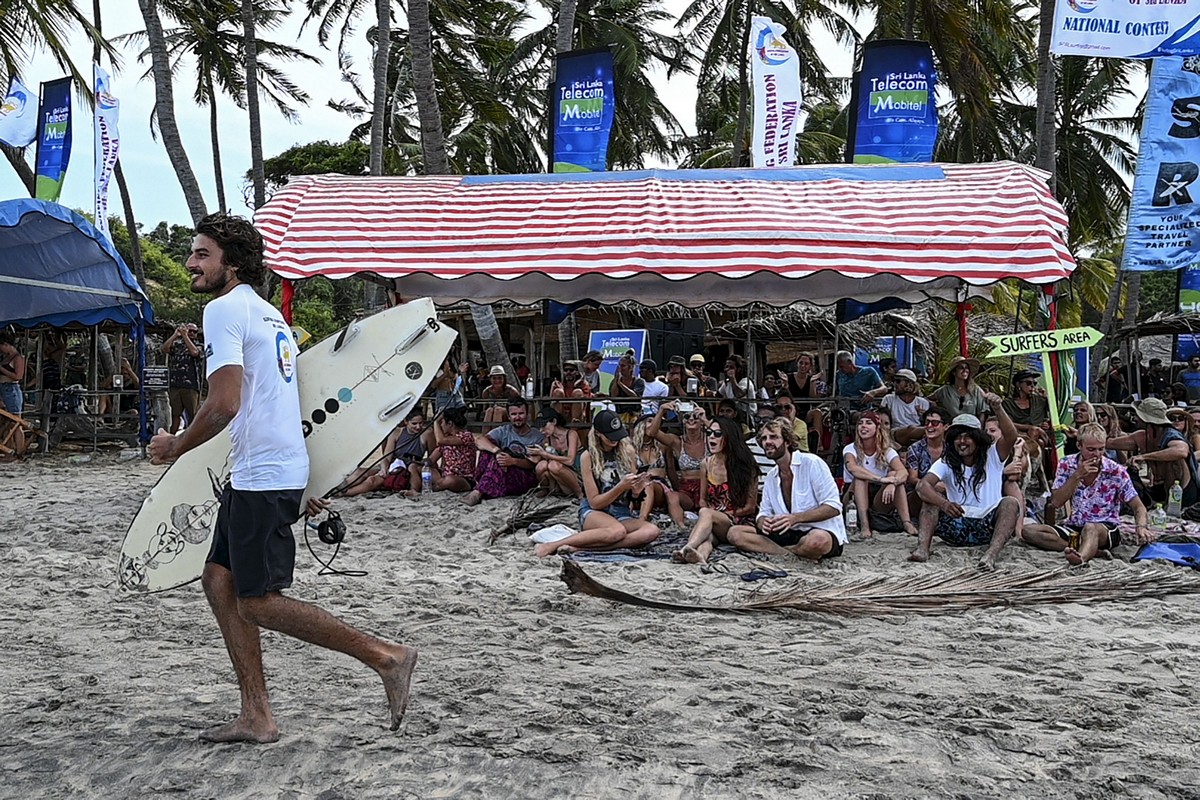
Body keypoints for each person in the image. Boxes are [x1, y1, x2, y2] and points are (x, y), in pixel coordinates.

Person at [148, 212, 416, 743]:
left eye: (202, 253)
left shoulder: (224, 310)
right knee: (219, 580)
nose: (191, 262)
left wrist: (177, 445)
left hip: (264, 472)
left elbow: (224, 403)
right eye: (193, 252)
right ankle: (257, 715)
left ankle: (387, 656)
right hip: (264, 468)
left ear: (234, 263)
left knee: (258, 600)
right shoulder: (269, 315)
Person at [909, 392, 1021, 570]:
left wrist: (998, 408)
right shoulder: (947, 461)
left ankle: (990, 555)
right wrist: (944, 504)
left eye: (967, 436)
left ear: (977, 438)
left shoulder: (993, 455)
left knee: (1010, 502)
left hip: (987, 526)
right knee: (930, 499)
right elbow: (922, 486)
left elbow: (1011, 436)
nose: (962, 441)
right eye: (957, 437)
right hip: (956, 524)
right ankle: (923, 549)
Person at [534, 410, 661, 558]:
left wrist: (636, 491)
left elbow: (632, 499)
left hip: (620, 512)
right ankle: (552, 545)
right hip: (595, 512)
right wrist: (621, 486)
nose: (615, 440)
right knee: (617, 531)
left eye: (617, 435)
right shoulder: (588, 457)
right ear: (599, 433)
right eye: (610, 436)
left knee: (651, 531)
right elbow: (595, 503)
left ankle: (586, 549)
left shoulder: (628, 451)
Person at [1022, 423, 1151, 565]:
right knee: (1028, 531)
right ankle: (1092, 551)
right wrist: (1077, 476)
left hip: (1104, 527)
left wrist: (1141, 527)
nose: (1096, 454)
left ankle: (1081, 558)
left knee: (1090, 528)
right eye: (1091, 449)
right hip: (1074, 526)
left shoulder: (1116, 471)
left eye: (1101, 449)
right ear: (1079, 446)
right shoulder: (1067, 464)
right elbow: (1056, 502)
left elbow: (1138, 506)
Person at [723, 418, 847, 560]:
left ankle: (783, 550)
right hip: (786, 532)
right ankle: (789, 553)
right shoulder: (771, 476)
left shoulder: (812, 463)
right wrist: (763, 522)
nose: (767, 442)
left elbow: (834, 507)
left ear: (787, 441)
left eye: (774, 437)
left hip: (818, 531)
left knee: (816, 541)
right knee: (735, 534)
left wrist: (795, 518)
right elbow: (763, 513)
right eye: (764, 438)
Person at [672, 415, 759, 564]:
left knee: (705, 514)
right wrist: (710, 515)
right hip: (715, 520)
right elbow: (702, 499)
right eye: (709, 433)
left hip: (739, 521)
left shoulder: (745, 465)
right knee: (707, 538)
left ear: (729, 437)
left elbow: (750, 508)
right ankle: (700, 557)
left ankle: (686, 547)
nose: (711, 437)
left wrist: (715, 514)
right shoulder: (706, 463)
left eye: (717, 434)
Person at [1108, 397, 1200, 508]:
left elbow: (1181, 451)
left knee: (1175, 460)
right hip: (1157, 489)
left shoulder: (1170, 434)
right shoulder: (1142, 436)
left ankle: (1171, 505)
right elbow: (1110, 443)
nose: (1136, 418)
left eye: (1138, 415)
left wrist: (1144, 457)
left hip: (1182, 492)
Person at [843, 411, 916, 537]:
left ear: (877, 428)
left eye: (868, 423)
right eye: (860, 423)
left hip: (877, 496)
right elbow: (852, 468)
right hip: (852, 496)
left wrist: (893, 482)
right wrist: (881, 479)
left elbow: (903, 472)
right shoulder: (850, 448)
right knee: (860, 478)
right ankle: (865, 526)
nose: (863, 426)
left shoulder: (888, 451)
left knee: (894, 473)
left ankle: (906, 522)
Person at [463, 399, 545, 506]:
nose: (517, 417)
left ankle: (478, 492)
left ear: (527, 415)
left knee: (500, 461)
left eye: (521, 413)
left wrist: (513, 461)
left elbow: (533, 464)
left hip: (524, 476)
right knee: (490, 450)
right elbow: (479, 440)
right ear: (509, 417)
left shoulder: (536, 436)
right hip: (502, 471)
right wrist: (497, 451)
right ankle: (484, 487)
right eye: (514, 414)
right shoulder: (504, 430)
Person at [342, 408, 428, 497]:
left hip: (408, 470)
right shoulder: (396, 433)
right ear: (406, 422)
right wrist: (384, 468)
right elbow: (386, 456)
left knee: (372, 480)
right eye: (414, 424)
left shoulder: (427, 433)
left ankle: (345, 493)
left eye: (421, 423)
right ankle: (340, 488)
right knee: (361, 472)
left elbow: (432, 456)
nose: (418, 427)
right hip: (393, 466)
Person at [647, 400, 708, 513]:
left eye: (695, 416)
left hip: (709, 487)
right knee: (672, 496)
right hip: (687, 489)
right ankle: (681, 527)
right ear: (683, 421)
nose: (691, 419)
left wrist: (705, 419)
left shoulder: (711, 439)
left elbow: (726, 438)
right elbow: (652, 433)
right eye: (686, 416)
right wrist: (661, 411)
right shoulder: (678, 442)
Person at [527, 408, 582, 498]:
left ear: (554, 421)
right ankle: (547, 490)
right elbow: (544, 461)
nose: (541, 430)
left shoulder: (571, 434)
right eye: (539, 427)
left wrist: (546, 454)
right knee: (541, 465)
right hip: (560, 480)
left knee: (553, 465)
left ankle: (580, 493)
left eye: (544, 426)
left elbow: (570, 460)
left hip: (576, 476)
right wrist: (536, 456)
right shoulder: (547, 439)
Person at [905, 406, 948, 518]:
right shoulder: (915, 448)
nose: (929, 426)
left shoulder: (951, 449)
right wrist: (931, 485)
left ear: (946, 426)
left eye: (934, 423)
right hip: (918, 495)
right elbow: (912, 478)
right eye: (927, 422)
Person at [161, 323, 204, 433]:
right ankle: (172, 438)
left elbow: (195, 353)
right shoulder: (177, 345)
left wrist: (185, 336)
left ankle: (193, 439)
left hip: (191, 385)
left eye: (194, 332)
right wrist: (175, 335)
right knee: (175, 415)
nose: (192, 334)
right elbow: (164, 349)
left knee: (193, 415)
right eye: (189, 331)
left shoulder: (199, 345)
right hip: (175, 384)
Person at [428, 406, 477, 493]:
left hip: (464, 479)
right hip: (444, 477)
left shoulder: (466, 436)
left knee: (449, 480)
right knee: (418, 468)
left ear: (450, 424)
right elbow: (431, 460)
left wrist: (435, 422)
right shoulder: (446, 440)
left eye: (442, 422)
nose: (441, 425)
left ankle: (434, 487)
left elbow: (440, 440)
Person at [879, 368, 930, 447]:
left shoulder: (922, 402)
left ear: (909, 384)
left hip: (918, 432)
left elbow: (926, 422)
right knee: (911, 428)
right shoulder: (889, 399)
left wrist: (923, 416)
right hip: (895, 432)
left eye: (898, 381)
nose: (895, 384)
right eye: (894, 381)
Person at [1003, 369, 1051, 448]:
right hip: (1018, 434)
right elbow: (1008, 423)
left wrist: (1047, 398)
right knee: (1039, 441)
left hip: (1042, 433)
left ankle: (1026, 456)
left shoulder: (1039, 400)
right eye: (1028, 383)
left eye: (1034, 383)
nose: (1032, 386)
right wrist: (1030, 427)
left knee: (1037, 436)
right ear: (1018, 384)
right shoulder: (1008, 403)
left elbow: (1055, 412)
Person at [0, 331, 26, 455]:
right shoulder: (6, 358)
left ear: (6, 344)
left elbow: (18, 376)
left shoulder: (18, 358)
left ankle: (20, 451)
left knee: (16, 422)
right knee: (8, 422)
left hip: (12, 390)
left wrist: (2, 370)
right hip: (4, 389)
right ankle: (10, 450)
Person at [716, 354, 756, 419]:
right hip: (732, 415)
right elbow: (719, 394)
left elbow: (739, 395)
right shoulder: (727, 383)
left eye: (731, 367)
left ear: (739, 369)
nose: (727, 369)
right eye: (727, 367)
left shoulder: (746, 382)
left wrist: (733, 379)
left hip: (746, 416)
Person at [609, 354, 645, 425]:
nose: (620, 368)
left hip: (634, 415)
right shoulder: (615, 382)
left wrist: (621, 384)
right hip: (620, 415)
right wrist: (616, 380)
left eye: (623, 366)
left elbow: (635, 396)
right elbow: (613, 396)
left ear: (631, 367)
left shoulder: (639, 382)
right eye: (619, 365)